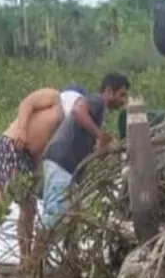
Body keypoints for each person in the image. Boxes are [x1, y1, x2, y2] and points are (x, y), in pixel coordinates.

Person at [32, 73, 130, 265]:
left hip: (66, 165)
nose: (123, 101)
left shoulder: (99, 112)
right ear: (109, 91)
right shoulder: (97, 101)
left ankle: (62, 262)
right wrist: (99, 135)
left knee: (69, 214)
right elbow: (78, 111)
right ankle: (32, 264)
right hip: (61, 161)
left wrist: (99, 146)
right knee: (55, 214)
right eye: (122, 95)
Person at [0, 87, 67, 270]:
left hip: (29, 158)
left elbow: (42, 145)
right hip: (13, 145)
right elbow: (27, 103)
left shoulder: (65, 124)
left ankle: (25, 260)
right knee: (4, 196)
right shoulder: (53, 96)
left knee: (30, 208)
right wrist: (22, 129)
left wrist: (36, 172)